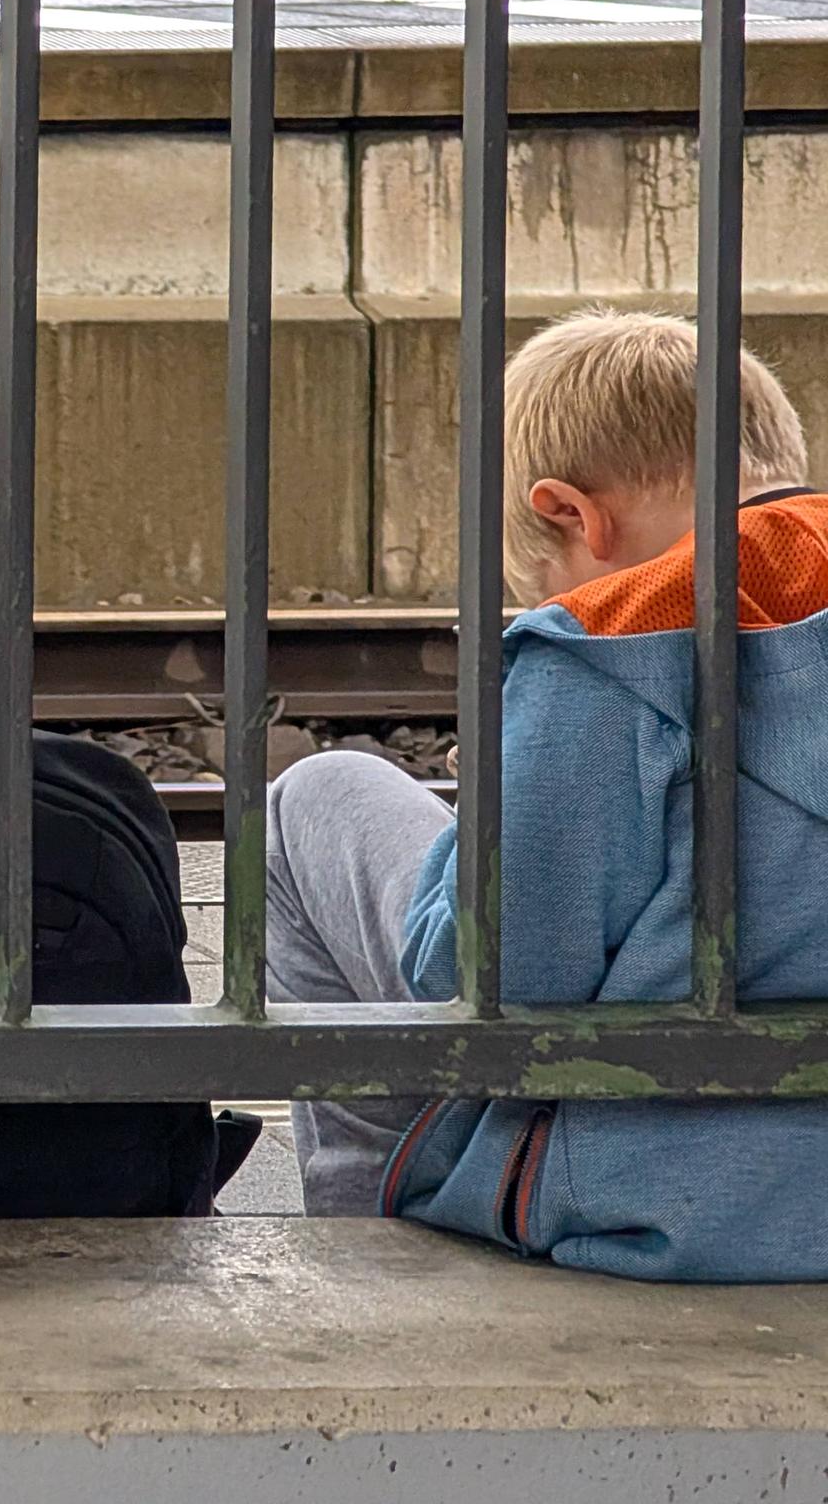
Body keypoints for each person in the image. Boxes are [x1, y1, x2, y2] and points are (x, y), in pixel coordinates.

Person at [268, 307, 828, 1282]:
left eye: (544, 573)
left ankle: (370, 1255)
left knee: (318, 794)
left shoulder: (621, 629)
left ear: (574, 512)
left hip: (662, 1203)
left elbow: (497, 982)